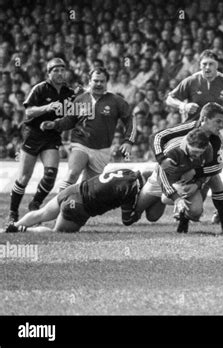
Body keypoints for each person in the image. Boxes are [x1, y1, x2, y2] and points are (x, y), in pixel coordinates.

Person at [41, 67, 135, 189]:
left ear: (107, 83)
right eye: (95, 81)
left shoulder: (116, 101)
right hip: (80, 143)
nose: (99, 84)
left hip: (102, 149)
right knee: (72, 174)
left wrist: (128, 141)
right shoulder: (80, 99)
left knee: (89, 189)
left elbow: (130, 120)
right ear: (89, 81)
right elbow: (69, 120)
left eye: (102, 81)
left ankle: (75, 205)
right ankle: (61, 205)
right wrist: (55, 124)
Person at [146, 102, 223, 234]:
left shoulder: (217, 139)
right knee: (150, 215)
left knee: (215, 184)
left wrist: (196, 175)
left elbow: (217, 166)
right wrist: (161, 159)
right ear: (204, 119)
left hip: (196, 172)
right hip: (168, 173)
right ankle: (140, 186)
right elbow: (157, 136)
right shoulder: (188, 127)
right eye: (218, 121)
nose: (222, 126)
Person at [7, 58, 75, 223]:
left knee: (51, 174)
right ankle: (13, 213)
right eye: (55, 71)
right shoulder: (39, 88)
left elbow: (73, 114)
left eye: (62, 70)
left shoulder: (70, 92)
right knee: (24, 177)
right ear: (49, 73)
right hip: (34, 133)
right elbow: (29, 112)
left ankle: (35, 204)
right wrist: (47, 107)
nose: (60, 73)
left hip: (52, 134)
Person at [5, 169, 146, 233]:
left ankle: (11, 227)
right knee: (57, 232)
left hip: (74, 189)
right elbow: (127, 220)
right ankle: (25, 230)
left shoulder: (127, 171)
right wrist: (140, 209)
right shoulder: (132, 188)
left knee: (42, 213)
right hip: (79, 205)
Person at [137, 128, 217, 233]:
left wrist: (197, 184)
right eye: (194, 151)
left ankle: (183, 218)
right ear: (187, 144)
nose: (197, 155)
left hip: (184, 182)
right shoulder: (173, 151)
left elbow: (208, 171)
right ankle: (144, 182)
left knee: (196, 211)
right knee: (136, 216)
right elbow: (163, 176)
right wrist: (177, 199)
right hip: (159, 179)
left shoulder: (208, 149)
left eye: (200, 153)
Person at [166, 50, 223, 122]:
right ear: (200, 65)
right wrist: (184, 106)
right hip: (194, 127)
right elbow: (170, 99)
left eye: (211, 64)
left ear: (217, 65)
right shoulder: (191, 81)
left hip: (219, 129)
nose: (207, 67)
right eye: (204, 64)